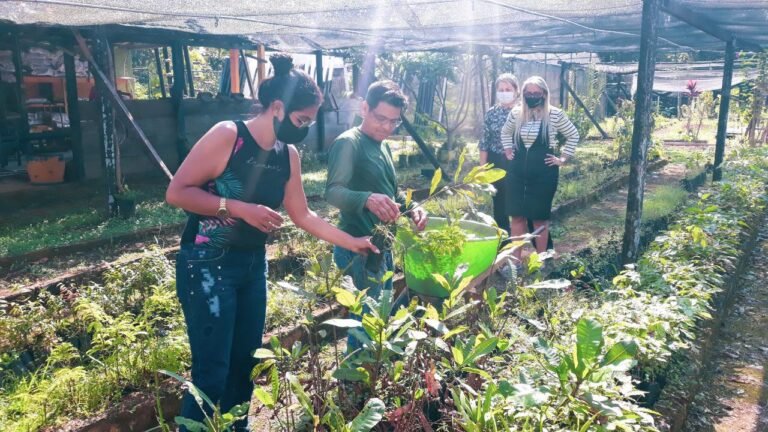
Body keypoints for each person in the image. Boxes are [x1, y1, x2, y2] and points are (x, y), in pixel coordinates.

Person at [165, 53, 377, 430]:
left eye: (309, 122)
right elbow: (177, 192)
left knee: (246, 364)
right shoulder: (229, 136)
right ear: (277, 107)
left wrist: (353, 241)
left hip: (251, 266)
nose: (304, 128)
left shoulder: (287, 154)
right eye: (301, 120)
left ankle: (238, 427)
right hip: (207, 264)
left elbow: (303, 215)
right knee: (211, 371)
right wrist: (238, 208)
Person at [325, 80, 427, 349]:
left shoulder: (383, 146)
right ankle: (356, 371)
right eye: (381, 118)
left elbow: (392, 192)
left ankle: (370, 368)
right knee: (365, 323)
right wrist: (366, 199)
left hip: (382, 245)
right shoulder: (349, 143)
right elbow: (332, 192)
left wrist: (413, 208)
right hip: (358, 246)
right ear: (364, 108)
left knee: (376, 320)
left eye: (394, 121)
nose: (386, 127)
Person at [501, 76, 579, 266]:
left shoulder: (554, 115)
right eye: (528, 93)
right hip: (517, 172)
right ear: (523, 94)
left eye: (536, 93)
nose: (532, 96)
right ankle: (515, 262)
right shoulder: (516, 114)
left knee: (539, 219)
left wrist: (562, 159)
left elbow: (573, 134)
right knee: (517, 216)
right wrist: (508, 150)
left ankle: (541, 261)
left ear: (544, 94)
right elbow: (505, 132)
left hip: (544, 174)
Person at [479, 73, 519, 240]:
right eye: (501, 90)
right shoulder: (491, 113)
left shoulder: (523, 112)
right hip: (496, 161)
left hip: (517, 162)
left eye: (508, 89)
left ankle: (521, 239)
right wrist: (482, 169)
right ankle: (503, 240)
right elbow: (484, 141)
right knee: (499, 202)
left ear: (516, 91)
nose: (504, 93)